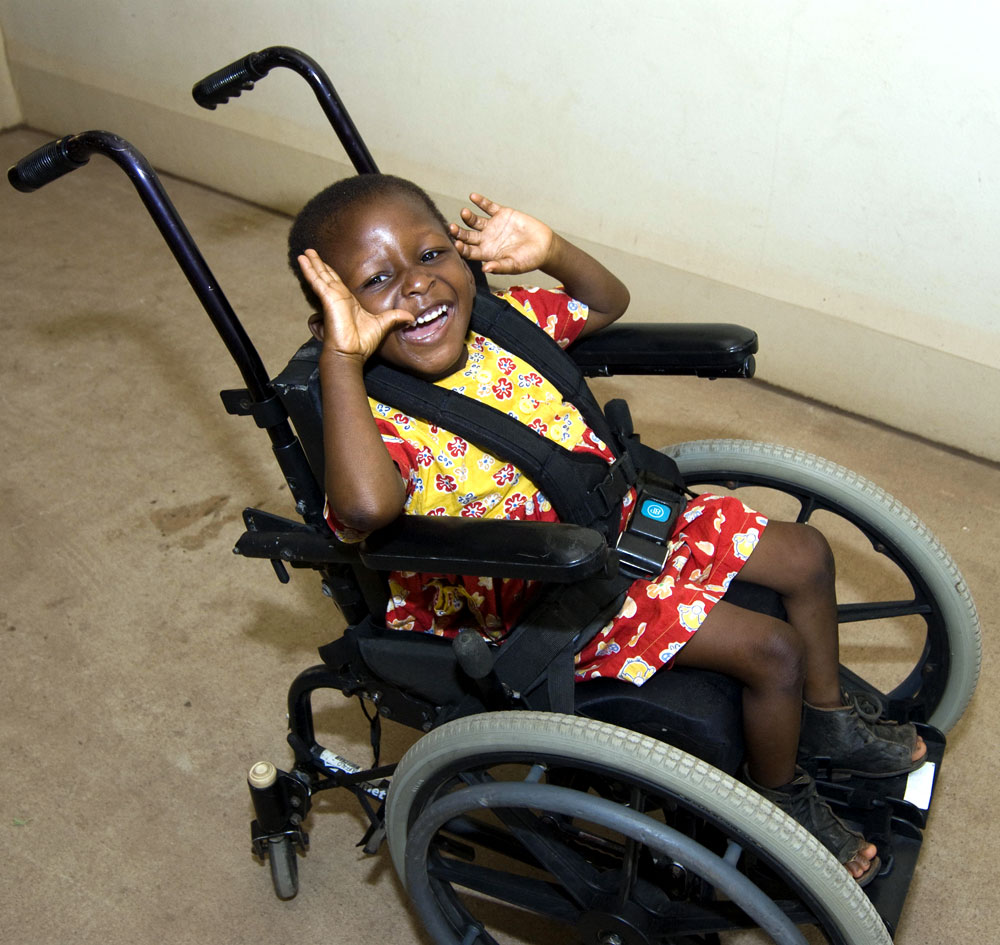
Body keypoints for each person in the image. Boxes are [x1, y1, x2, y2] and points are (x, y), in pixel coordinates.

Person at [288, 174, 926, 885]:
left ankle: (826, 717)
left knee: (805, 552)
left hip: (617, 523)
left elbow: (606, 302)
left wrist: (551, 249)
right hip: (543, 601)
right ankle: (782, 805)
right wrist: (342, 361)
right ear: (332, 317)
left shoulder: (504, 324)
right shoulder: (376, 424)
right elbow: (365, 510)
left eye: (432, 254)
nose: (416, 284)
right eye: (377, 280)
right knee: (771, 649)